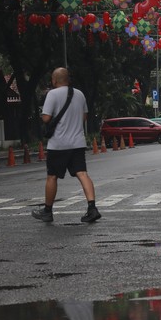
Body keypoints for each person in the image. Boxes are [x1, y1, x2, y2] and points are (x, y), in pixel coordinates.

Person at [32, 67, 101, 223]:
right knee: (82, 173)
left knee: (52, 177)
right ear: (68, 79)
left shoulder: (52, 94)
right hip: (77, 142)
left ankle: (47, 211)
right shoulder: (80, 94)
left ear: (54, 80)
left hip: (58, 144)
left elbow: (46, 118)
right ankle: (92, 208)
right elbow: (84, 117)